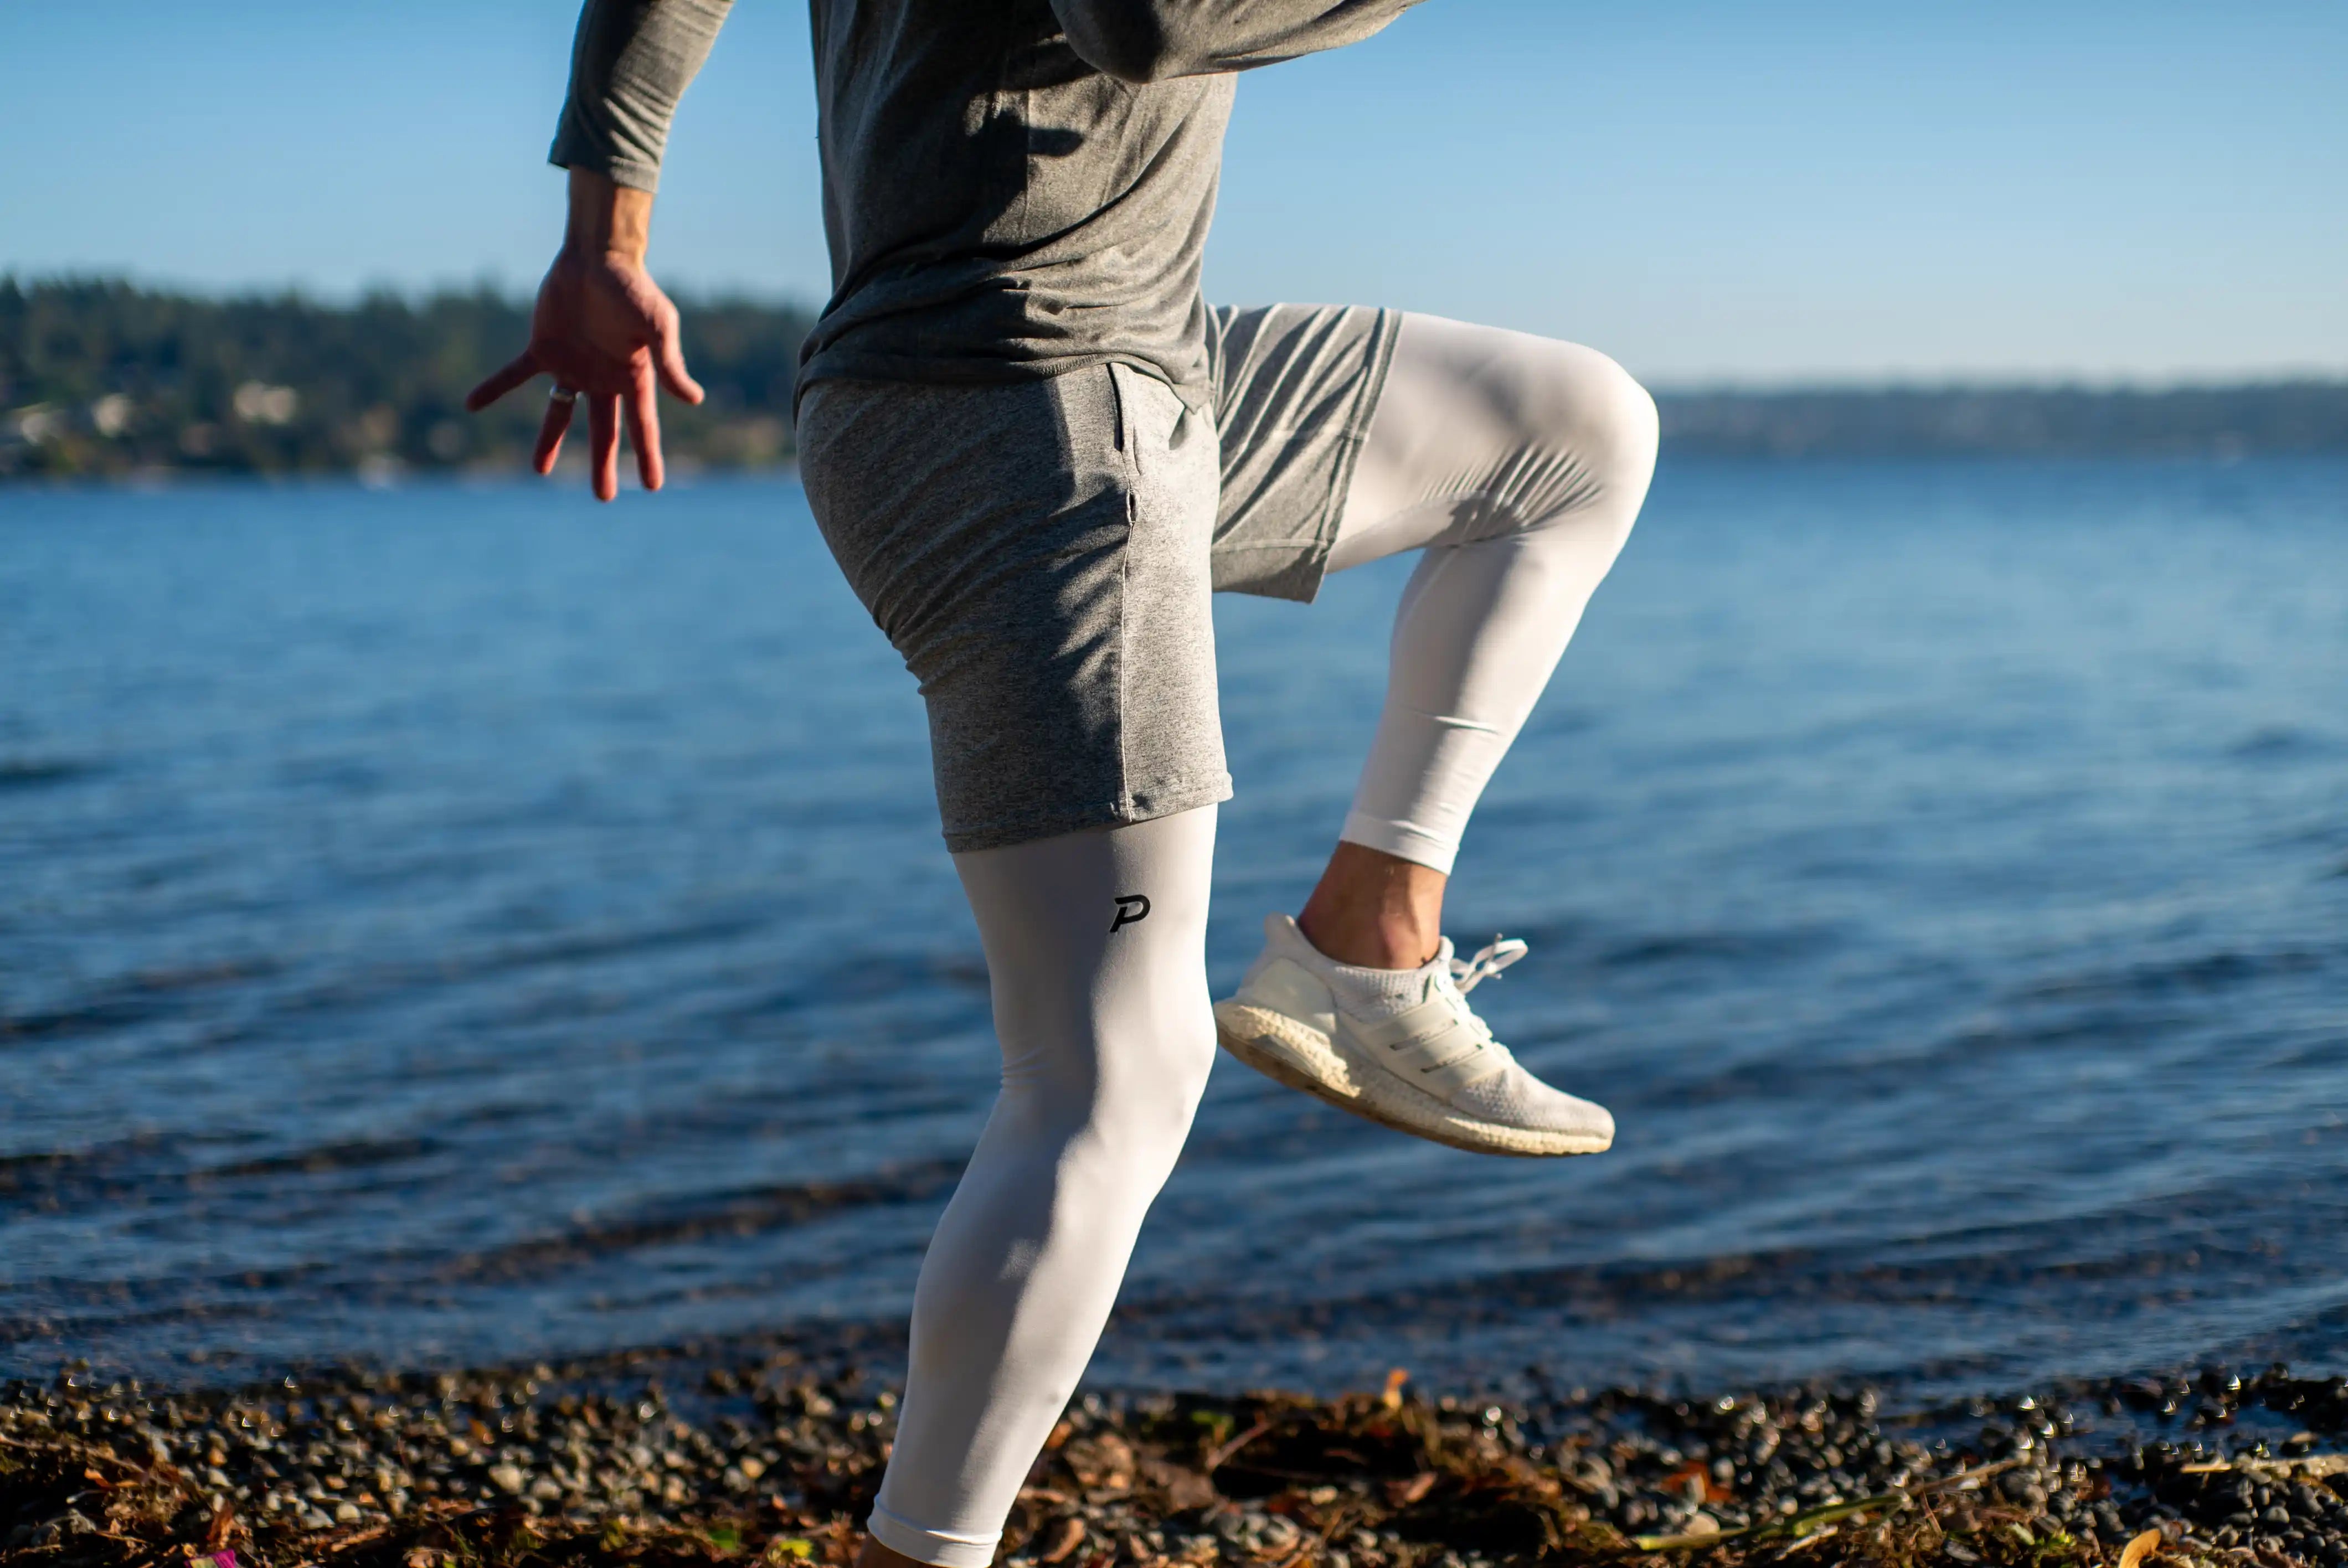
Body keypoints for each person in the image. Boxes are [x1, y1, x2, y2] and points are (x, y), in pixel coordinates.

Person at [467, 2, 1659, 1563]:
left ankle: (1373, 933)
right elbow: (1151, 22)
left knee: (1574, 432)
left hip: (1138, 362)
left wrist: (604, 239)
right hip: (1026, 413)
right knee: (1109, 1080)